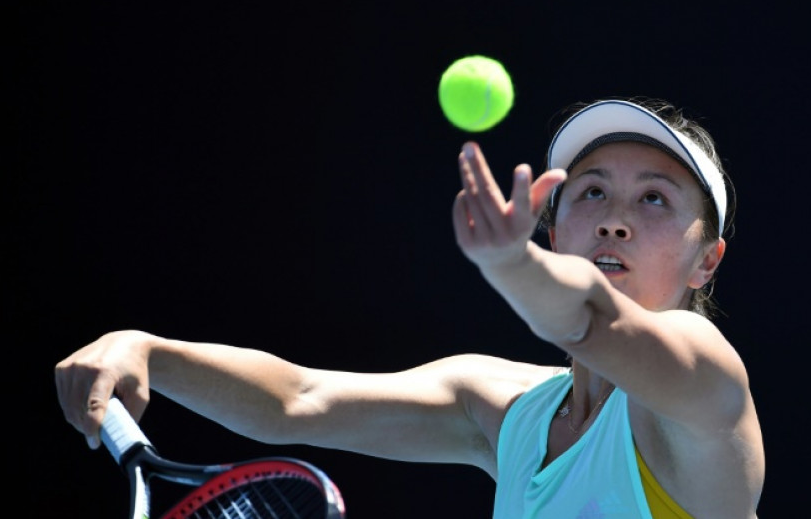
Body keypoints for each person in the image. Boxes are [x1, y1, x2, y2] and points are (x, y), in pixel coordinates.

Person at [56, 96, 765, 518]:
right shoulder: (506, 410)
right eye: (592, 192)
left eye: (654, 199)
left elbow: (585, 320)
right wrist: (147, 350)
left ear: (708, 260)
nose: (614, 220)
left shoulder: (706, 380)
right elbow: (297, 399)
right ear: (555, 232)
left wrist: (511, 265)